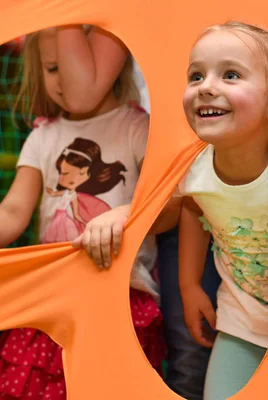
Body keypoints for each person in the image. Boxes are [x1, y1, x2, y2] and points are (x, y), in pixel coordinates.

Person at [76, 21, 268, 399]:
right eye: (196, 75)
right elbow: (187, 209)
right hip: (244, 321)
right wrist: (126, 221)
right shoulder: (194, 165)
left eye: (230, 75)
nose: (206, 86)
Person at [56, 24, 221, 399]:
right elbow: (183, 200)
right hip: (178, 196)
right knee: (187, 353)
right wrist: (134, 211)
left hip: (210, 191)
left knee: (197, 355)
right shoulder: (139, 126)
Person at [0, 27, 164, 399]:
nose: (63, 80)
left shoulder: (136, 127)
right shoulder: (42, 136)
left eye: (70, 65)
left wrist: (124, 214)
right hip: (52, 296)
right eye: (52, 68)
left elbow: (166, 202)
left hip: (118, 294)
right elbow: (12, 211)